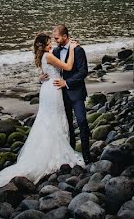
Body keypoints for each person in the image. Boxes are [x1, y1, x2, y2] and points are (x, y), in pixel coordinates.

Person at [0, 33, 85, 190]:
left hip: (49, 89)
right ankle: (55, 153)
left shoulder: (44, 56)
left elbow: (46, 74)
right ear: (43, 45)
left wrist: (41, 78)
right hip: (53, 90)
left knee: (48, 120)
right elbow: (68, 67)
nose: (51, 45)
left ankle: (52, 149)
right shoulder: (48, 56)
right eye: (49, 43)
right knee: (53, 119)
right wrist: (72, 48)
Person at [50, 23, 91, 165]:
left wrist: (66, 83)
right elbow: (54, 71)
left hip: (77, 93)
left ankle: (87, 155)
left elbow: (83, 71)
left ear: (65, 36)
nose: (55, 41)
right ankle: (72, 154)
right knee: (67, 125)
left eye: (57, 38)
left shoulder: (79, 50)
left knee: (82, 121)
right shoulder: (55, 51)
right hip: (61, 95)